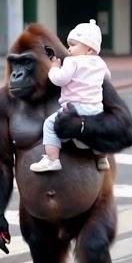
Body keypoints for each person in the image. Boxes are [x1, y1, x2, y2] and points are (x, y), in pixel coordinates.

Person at [30, 19, 111, 172]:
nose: (69, 49)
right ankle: (102, 158)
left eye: (73, 45)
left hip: (73, 109)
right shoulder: (100, 63)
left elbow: (60, 80)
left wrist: (54, 68)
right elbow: (107, 78)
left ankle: (52, 159)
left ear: (89, 50)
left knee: (49, 125)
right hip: (95, 109)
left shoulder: (72, 62)